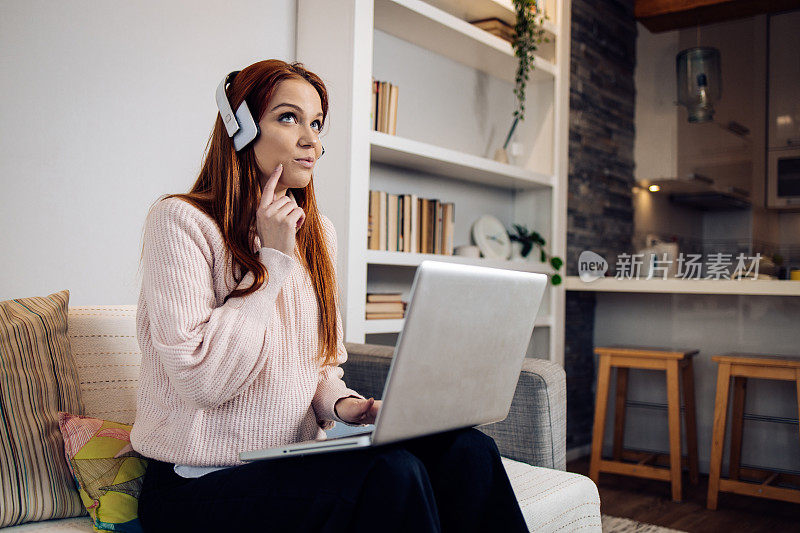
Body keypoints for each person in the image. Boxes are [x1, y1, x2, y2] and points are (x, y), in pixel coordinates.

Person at [132, 59, 529, 532]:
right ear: (238, 128)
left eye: (317, 123)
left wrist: (346, 406)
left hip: (284, 462)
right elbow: (201, 381)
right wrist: (273, 263)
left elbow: (317, 366)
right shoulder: (181, 223)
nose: (311, 140)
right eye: (288, 117)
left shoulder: (319, 234)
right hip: (193, 485)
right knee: (392, 475)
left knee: (469, 450)